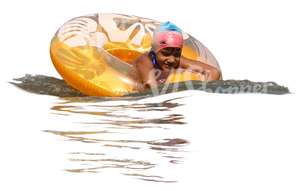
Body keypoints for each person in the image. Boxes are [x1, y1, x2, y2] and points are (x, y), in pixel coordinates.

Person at [134, 21, 221, 89]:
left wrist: (204, 91)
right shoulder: (145, 61)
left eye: (177, 54)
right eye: (165, 53)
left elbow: (213, 72)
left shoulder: (177, 60)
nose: (172, 59)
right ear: (154, 50)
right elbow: (150, 86)